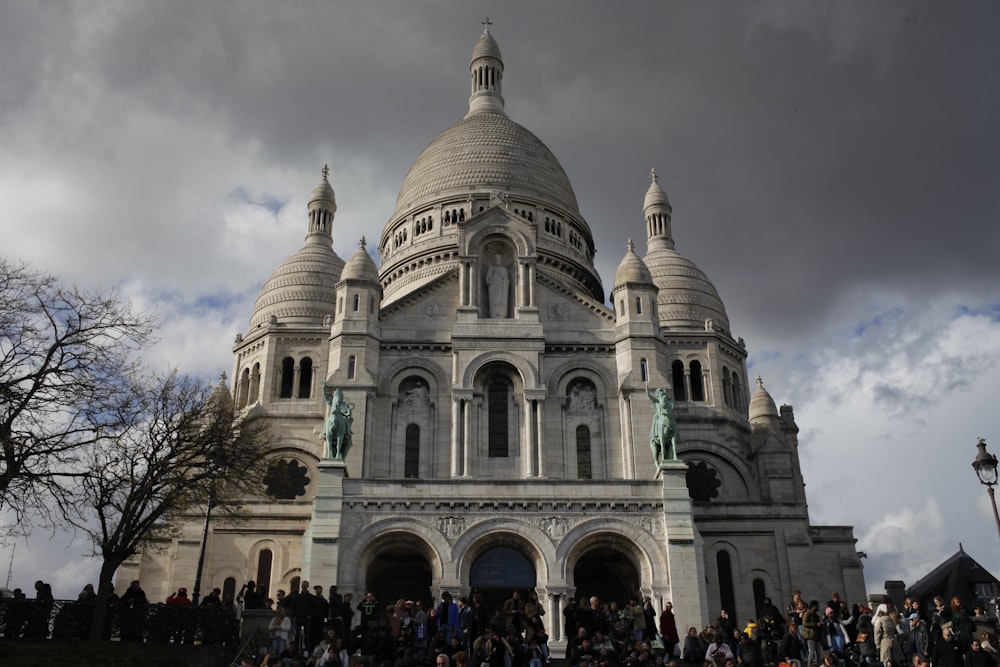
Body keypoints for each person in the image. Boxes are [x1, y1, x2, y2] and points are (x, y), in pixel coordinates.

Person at [645, 381, 679, 464]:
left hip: (668, 417)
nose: (661, 391)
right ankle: (655, 435)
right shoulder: (657, 401)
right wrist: (647, 390)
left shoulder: (669, 401)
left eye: (662, 390)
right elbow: (649, 396)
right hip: (660, 417)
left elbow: (671, 407)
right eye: (659, 391)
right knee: (656, 420)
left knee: (674, 426)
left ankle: (676, 435)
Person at [485, 254, 509, 318]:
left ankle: (501, 314)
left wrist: (502, 277)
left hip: (501, 288)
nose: (497, 260)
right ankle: (493, 314)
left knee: (500, 301)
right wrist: (490, 271)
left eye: (498, 259)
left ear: (501, 260)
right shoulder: (491, 269)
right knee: (494, 301)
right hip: (493, 288)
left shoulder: (504, 269)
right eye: (496, 259)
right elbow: (487, 280)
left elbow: (507, 281)